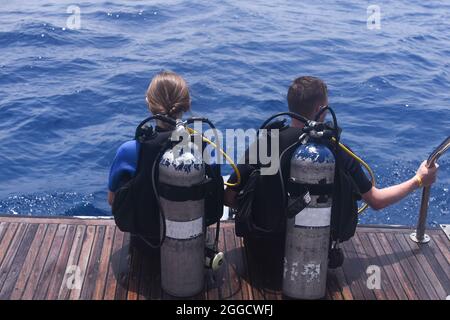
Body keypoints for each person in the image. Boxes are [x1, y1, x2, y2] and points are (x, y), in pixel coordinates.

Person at [224, 76, 439, 286]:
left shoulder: (266, 144)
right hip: (312, 263)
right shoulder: (335, 150)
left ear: (290, 105)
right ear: (322, 109)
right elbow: (377, 200)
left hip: (262, 258)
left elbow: (229, 196)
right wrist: (419, 180)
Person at [108, 71, 191, 206]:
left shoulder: (128, 150)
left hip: (142, 226)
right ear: (187, 104)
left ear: (149, 103)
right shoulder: (203, 146)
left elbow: (112, 200)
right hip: (192, 224)